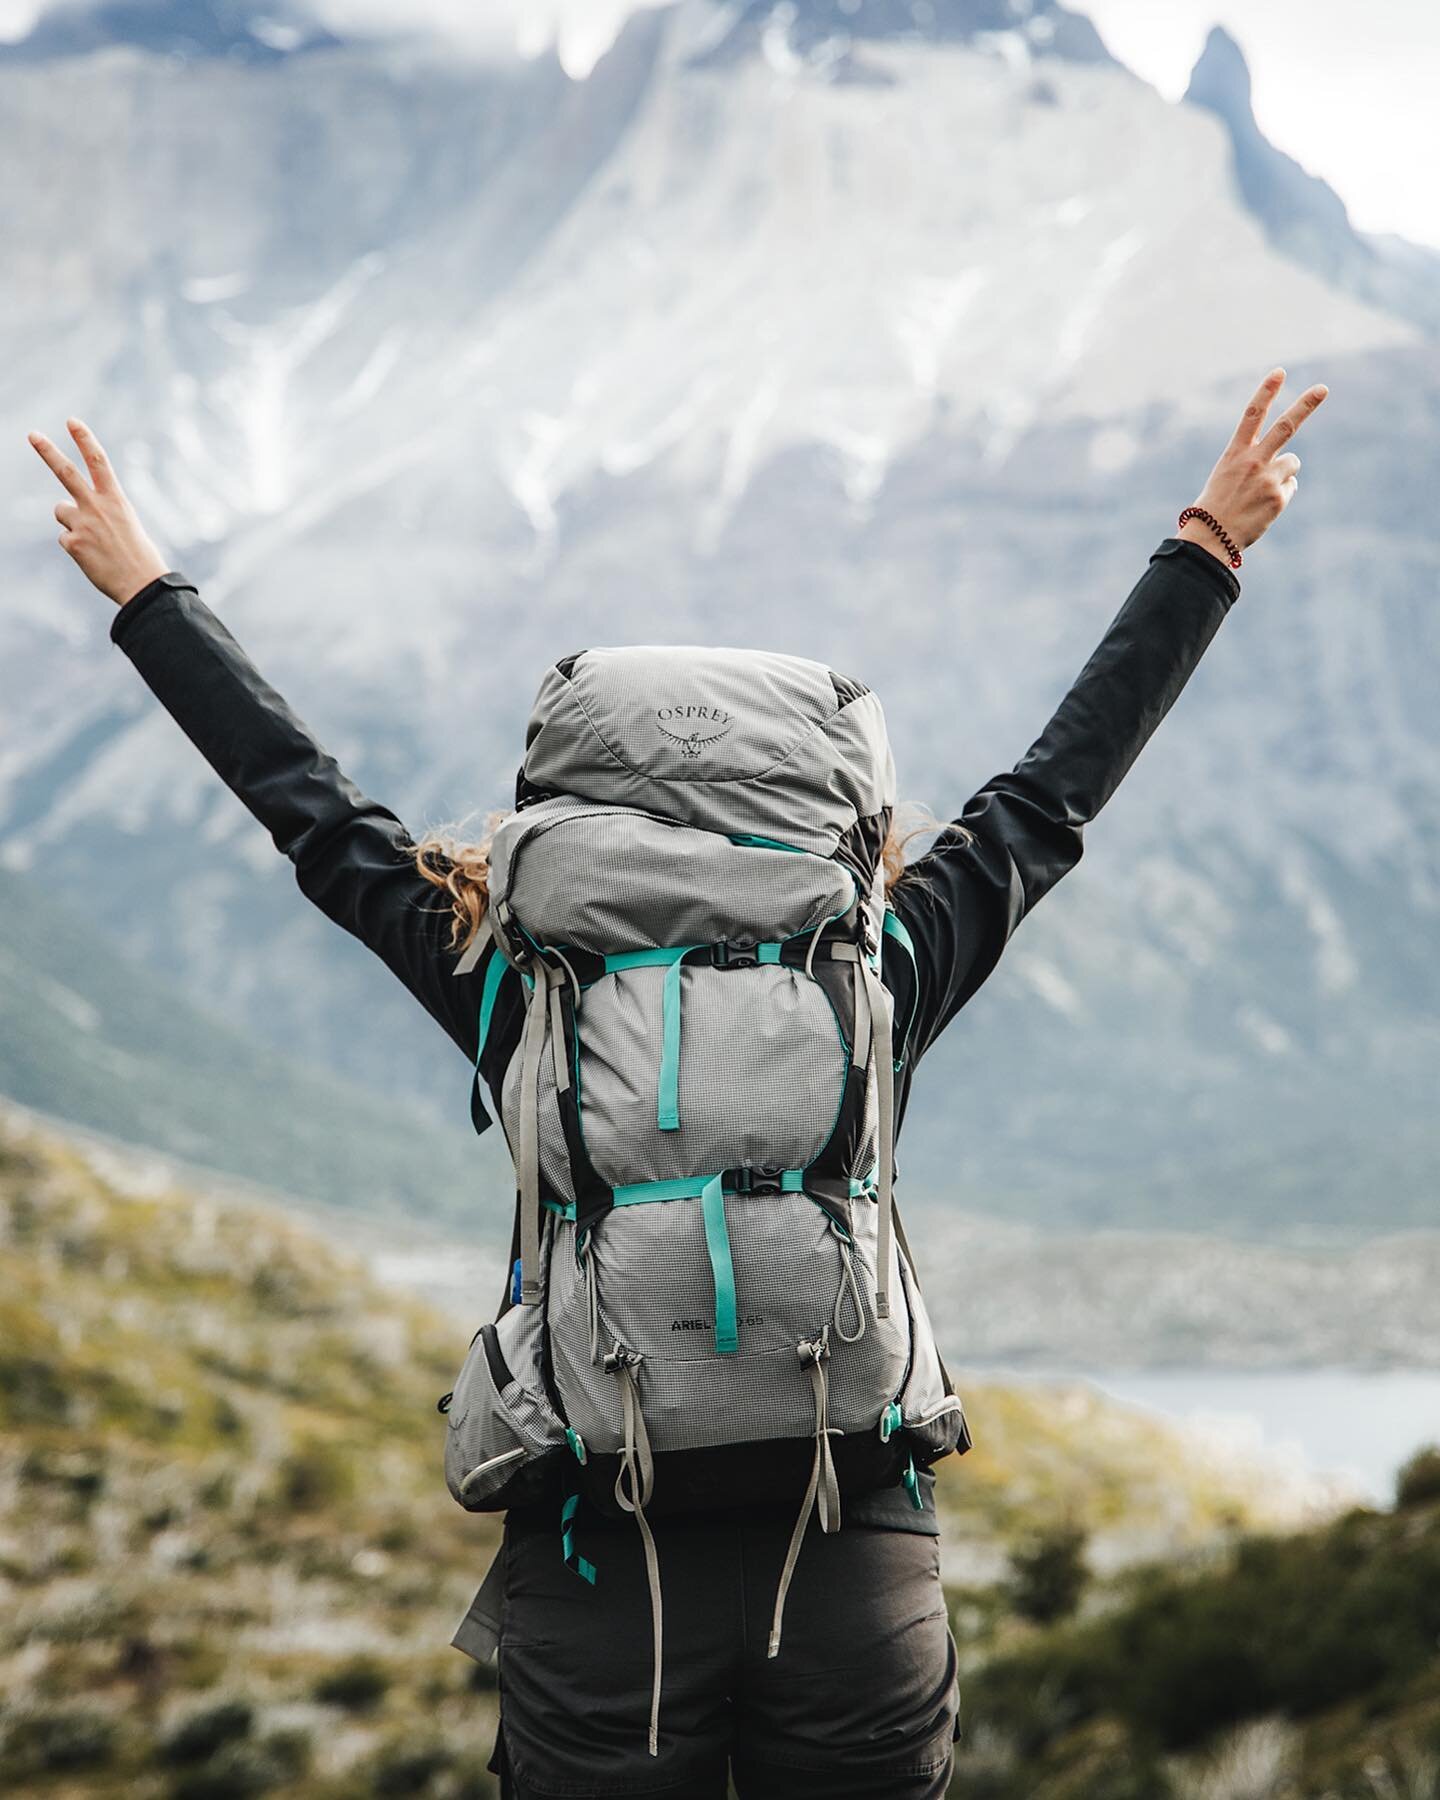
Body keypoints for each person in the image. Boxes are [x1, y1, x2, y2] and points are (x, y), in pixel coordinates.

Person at [26, 365, 1327, 1799]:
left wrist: (146, 591)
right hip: (852, 1551)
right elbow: (1049, 797)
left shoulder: (518, 977)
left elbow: (316, 817)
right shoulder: (870, 968)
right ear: (837, 814)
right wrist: (1209, 543)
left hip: (601, 1564)